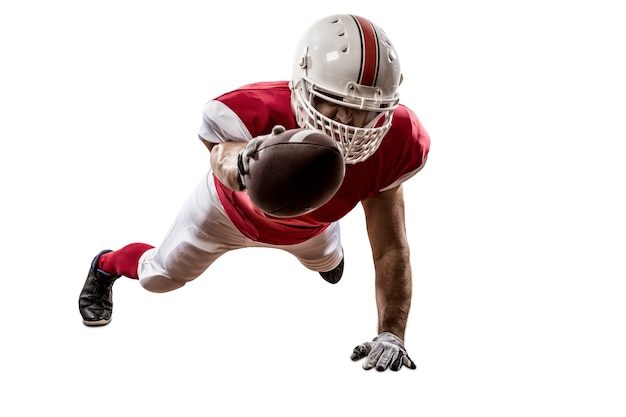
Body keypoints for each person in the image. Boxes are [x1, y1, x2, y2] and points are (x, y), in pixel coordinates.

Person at [79, 13, 430, 372]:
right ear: (303, 87)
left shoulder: (397, 140)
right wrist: (240, 163)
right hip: (225, 215)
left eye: (366, 110)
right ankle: (105, 266)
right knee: (159, 277)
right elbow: (221, 150)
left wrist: (392, 332)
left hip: (311, 227)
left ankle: (329, 255)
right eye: (332, 102)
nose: (348, 122)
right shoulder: (257, 108)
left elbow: (390, 246)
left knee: (326, 260)